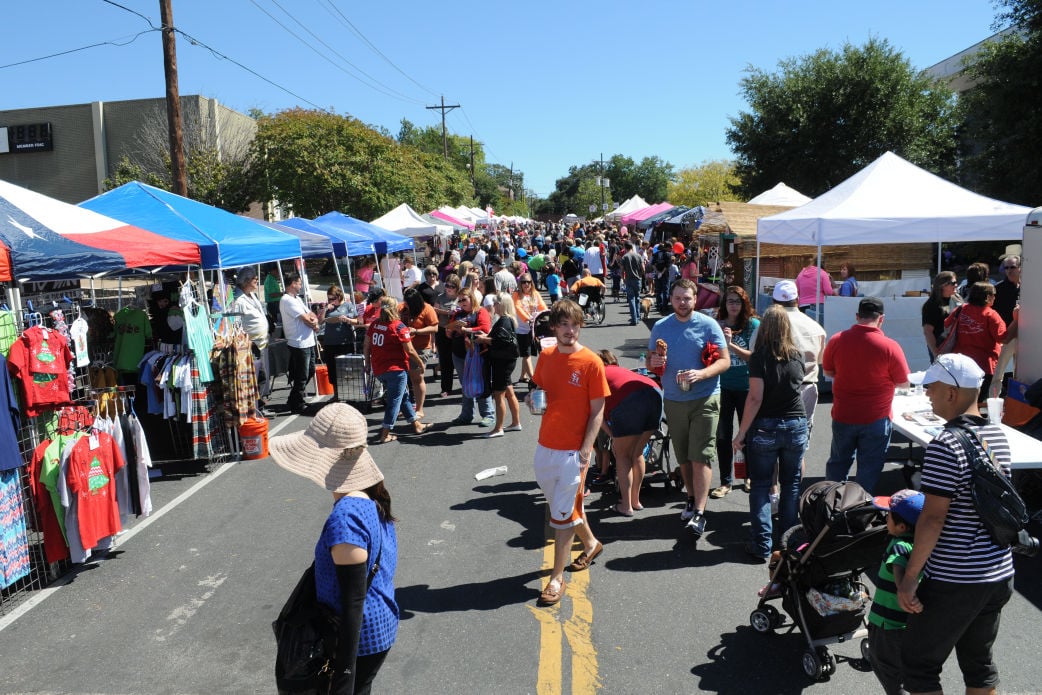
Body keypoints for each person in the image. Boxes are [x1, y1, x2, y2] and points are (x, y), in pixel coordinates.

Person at [896, 354, 1014, 695]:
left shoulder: (945, 445)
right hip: (998, 570)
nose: (927, 394)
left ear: (951, 392)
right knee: (979, 664)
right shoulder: (996, 435)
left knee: (919, 667)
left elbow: (933, 518)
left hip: (957, 576)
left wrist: (911, 577)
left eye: (931, 387)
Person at [268, 403, 399, 694]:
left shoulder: (347, 517)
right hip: (376, 628)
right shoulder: (369, 496)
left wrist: (343, 677)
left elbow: (354, 602)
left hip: (357, 640)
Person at [527, 299, 609, 606]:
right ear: (554, 327)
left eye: (575, 324)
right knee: (564, 506)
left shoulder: (591, 362)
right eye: (564, 324)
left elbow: (598, 411)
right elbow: (537, 388)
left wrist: (586, 448)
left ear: (580, 326)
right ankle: (590, 543)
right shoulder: (546, 355)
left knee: (560, 516)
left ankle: (556, 578)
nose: (570, 330)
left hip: (574, 452)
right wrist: (530, 399)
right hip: (545, 445)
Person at [648, 278, 731, 540]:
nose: (683, 303)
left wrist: (702, 373)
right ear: (671, 299)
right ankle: (691, 497)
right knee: (683, 455)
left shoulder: (709, 325)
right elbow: (651, 362)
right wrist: (655, 362)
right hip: (673, 398)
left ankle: (699, 510)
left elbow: (725, 362)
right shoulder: (661, 327)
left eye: (687, 298)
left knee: (701, 455)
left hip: (706, 397)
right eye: (678, 298)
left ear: (696, 299)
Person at [732, 305, 807, 561]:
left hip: (766, 426)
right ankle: (787, 543)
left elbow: (755, 398)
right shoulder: (797, 355)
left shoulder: (759, 357)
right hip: (796, 424)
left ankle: (762, 544)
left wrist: (740, 433)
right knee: (791, 484)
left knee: (762, 486)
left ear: (763, 328)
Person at [822, 297, 911, 495]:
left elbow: (828, 372)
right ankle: (858, 514)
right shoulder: (890, 346)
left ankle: (829, 509)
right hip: (876, 418)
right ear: (881, 319)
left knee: (837, 465)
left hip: (844, 415)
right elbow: (904, 382)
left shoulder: (837, 340)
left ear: (857, 316)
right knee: (868, 472)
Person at [867, 489, 925, 695]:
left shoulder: (899, 545)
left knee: (889, 672)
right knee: (909, 672)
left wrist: (903, 588)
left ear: (901, 526)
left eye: (888, 515)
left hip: (887, 624)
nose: (885, 517)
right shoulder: (922, 546)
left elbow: (898, 566)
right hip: (910, 624)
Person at [597, 349, 663, 516]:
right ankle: (635, 500)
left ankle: (626, 505)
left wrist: (613, 435)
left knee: (622, 455)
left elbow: (595, 414)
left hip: (629, 400)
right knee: (637, 452)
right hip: (655, 393)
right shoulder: (620, 370)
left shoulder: (596, 373)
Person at [712, 286, 759, 498]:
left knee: (747, 434)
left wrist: (731, 346)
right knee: (722, 435)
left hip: (747, 388)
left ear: (744, 304)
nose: (733, 305)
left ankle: (749, 476)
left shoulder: (753, 325)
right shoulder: (717, 324)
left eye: (737, 301)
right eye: (730, 301)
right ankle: (725, 481)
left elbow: (755, 358)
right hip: (722, 387)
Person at [363, 297, 430, 443]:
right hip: (396, 370)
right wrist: (420, 363)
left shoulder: (375, 324)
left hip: (379, 369)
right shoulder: (398, 326)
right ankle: (385, 433)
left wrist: (367, 363)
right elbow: (410, 350)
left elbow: (366, 345)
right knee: (395, 401)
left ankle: (416, 425)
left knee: (403, 396)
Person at [946, 282, 1016, 403]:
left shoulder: (960, 310)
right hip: (983, 366)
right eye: (993, 295)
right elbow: (1003, 338)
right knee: (976, 401)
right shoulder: (991, 314)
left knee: (958, 399)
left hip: (960, 363)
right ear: (988, 297)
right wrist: (1017, 320)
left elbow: (947, 325)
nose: (995, 298)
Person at [473, 293, 522, 438]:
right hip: (508, 360)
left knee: (499, 394)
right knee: (509, 392)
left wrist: (484, 340)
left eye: (495, 303)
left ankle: (498, 428)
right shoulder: (509, 319)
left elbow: (500, 342)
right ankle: (515, 422)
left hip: (502, 361)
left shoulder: (504, 321)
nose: (493, 306)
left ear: (501, 304)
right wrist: (487, 337)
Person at [446, 285, 495, 427]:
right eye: (459, 300)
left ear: (471, 298)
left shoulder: (481, 311)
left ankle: (488, 415)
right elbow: (449, 331)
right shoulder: (457, 314)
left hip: (477, 354)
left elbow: (485, 329)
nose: (461, 303)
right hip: (459, 354)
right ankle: (466, 415)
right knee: (465, 385)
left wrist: (466, 329)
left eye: (464, 299)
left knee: (480, 382)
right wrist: (451, 330)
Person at [279, 271, 320, 415]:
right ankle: (297, 403)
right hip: (299, 342)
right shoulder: (287, 300)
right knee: (302, 374)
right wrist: (314, 323)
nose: (301, 285)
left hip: (307, 341)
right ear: (293, 284)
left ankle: (294, 398)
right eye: (299, 283)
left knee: (309, 370)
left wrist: (313, 320)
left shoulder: (297, 299)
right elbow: (307, 319)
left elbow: (311, 314)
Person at [399, 288, 438, 420]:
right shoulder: (402, 308)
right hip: (403, 347)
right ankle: (407, 407)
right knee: (403, 379)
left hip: (420, 348)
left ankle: (419, 409)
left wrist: (416, 330)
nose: (406, 305)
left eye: (409, 303)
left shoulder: (427, 309)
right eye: (406, 302)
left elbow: (434, 328)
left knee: (416, 378)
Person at [321, 285, 356, 404]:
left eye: (332, 298)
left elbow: (358, 320)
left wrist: (347, 319)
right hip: (330, 343)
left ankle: (350, 394)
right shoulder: (328, 308)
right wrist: (325, 309)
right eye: (328, 298)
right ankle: (337, 395)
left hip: (344, 342)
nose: (330, 301)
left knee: (347, 369)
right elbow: (320, 321)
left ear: (339, 296)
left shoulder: (348, 305)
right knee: (332, 369)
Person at [512, 273, 547, 385]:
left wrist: (548, 314)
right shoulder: (516, 295)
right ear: (520, 284)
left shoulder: (535, 294)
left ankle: (523, 376)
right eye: (523, 282)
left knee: (527, 354)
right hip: (521, 330)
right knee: (526, 355)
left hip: (534, 329)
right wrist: (528, 319)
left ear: (531, 283)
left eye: (528, 282)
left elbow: (543, 307)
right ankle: (535, 380)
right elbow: (518, 308)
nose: (526, 284)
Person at [921, 271, 961, 362]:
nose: (956, 285)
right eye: (953, 283)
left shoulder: (957, 298)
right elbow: (928, 331)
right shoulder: (931, 305)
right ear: (943, 285)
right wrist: (936, 353)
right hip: (942, 348)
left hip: (958, 347)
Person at [431, 274, 460, 399]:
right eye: (447, 285)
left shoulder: (460, 298)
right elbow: (434, 310)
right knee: (445, 360)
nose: (448, 288)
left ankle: (465, 387)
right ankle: (446, 388)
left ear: (457, 287)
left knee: (459, 359)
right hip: (443, 330)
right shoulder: (440, 297)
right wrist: (447, 312)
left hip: (456, 331)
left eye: (452, 286)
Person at [619, 240, 645, 325]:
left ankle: (634, 319)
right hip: (638, 279)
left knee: (631, 299)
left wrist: (623, 278)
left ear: (625, 248)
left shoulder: (625, 257)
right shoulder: (638, 255)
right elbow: (643, 268)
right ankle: (637, 317)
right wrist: (640, 275)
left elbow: (622, 270)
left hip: (629, 280)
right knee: (637, 298)